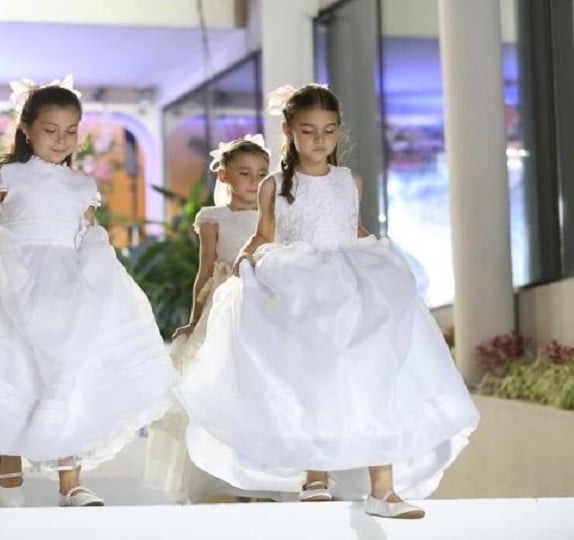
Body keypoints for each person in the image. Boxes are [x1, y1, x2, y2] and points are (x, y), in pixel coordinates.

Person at [178, 84, 479, 519]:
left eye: (329, 130)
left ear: (339, 132)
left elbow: (351, 227)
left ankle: (384, 488)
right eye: (308, 130)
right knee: (312, 377)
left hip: (352, 282)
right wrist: (246, 261)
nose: (320, 140)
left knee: (375, 375)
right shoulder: (274, 184)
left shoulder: (347, 180)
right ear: (289, 131)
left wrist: (384, 257)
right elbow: (265, 233)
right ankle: (314, 477)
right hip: (300, 284)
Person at [0, 76, 176, 507]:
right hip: (15, 280)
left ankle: (70, 481)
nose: (61, 140)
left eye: (71, 131)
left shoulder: (81, 185)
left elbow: (87, 230)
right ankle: (9, 473)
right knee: (14, 364)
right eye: (50, 130)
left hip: (68, 284)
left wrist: (97, 268)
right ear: (26, 128)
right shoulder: (9, 174)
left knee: (71, 368)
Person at [145, 135, 276, 504]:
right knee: (219, 385)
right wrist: (194, 319)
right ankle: (218, 480)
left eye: (262, 174)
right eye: (245, 173)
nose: (254, 181)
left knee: (259, 387)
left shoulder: (274, 215)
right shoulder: (213, 218)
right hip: (223, 308)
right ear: (225, 177)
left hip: (265, 306)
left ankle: (262, 477)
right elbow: (205, 272)